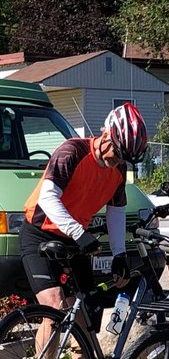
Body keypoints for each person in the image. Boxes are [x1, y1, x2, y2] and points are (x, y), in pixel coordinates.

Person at [21, 102, 147, 313]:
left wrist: (119, 255)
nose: (117, 162)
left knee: (86, 311)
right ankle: (47, 346)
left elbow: (116, 211)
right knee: (54, 307)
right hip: (40, 233)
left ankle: (84, 346)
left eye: (123, 159)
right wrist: (79, 232)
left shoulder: (119, 170)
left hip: (72, 239)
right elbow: (47, 197)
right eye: (117, 154)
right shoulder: (72, 151)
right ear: (106, 134)